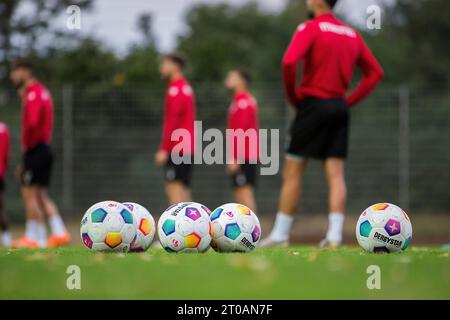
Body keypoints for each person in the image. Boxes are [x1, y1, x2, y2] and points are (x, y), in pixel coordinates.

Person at [261, 0, 384, 248]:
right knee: (336, 174)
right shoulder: (352, 33)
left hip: (313, 104)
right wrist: (348, 101)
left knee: (293, 171)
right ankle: (335, 236)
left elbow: (288, 62)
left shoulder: (309, 28)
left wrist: (293, 97)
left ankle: (281, 235)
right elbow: (375, 73)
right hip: (339, 107)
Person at [9, 59, 71, 248]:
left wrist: (26, 149)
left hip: (35, 148)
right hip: (44, 148)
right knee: (41, 195)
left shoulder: (33, 94)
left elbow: (33, 123)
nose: (12, 76)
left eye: (15, 71)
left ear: (25, 72)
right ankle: (58, 233)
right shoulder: (41, 92)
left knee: (29, 194)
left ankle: (33, 237)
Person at [155, 53, 196, 205]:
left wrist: (164, 148)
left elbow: (173, 121)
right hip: (186, 145)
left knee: (174, 188)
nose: (162, 68)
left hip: (177, 146)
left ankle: (179, 228)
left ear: (175, 66)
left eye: (165, 64)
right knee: (183, 188)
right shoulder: (185, 88)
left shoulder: (176, 89)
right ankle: (197, 226)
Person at [224, 69, 259, 212]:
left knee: (245, 195)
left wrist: (235, 158)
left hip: (245, 156)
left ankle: (255, 232)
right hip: (243, 155)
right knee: (239, 194)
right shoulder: (238, 101)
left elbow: (241, 132)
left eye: (232, 77)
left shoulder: (244, 102)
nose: (228, 79)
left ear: (242, 81)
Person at [0, 122, 11, 248]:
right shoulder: (3, 128)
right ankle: (7, 240)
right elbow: (6, 153)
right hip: (0, 172)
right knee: (1, 207)